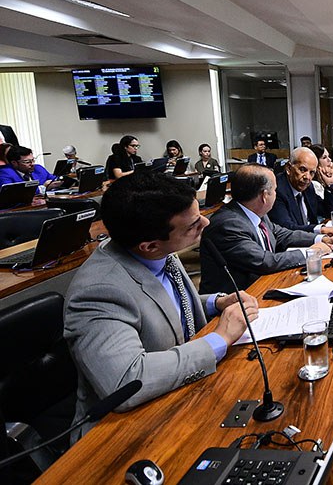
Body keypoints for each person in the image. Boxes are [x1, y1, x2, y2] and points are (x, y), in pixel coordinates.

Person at [63, 171, 259, 441]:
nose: (205, 222)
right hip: (120, 434)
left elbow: (164, 306)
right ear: (150, 246)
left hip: (184, 395)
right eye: (193, 225)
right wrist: (219, 339)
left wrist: (216, 302)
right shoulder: (98, 291)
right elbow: (127, 380)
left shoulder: (157, 251)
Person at [199, 164, 333, 293]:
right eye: (274, 190)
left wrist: (322, 239)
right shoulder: (228, 224)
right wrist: (312, 253)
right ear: (265, 196)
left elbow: (282, 234)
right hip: (237, 299)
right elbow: (264, 262)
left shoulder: (255, 212)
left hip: (262, 285)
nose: (276, 194)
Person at [268, 146, 333, 239]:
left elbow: (327, 212)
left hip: (311, 239)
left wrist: (330, 185)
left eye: (312, 172)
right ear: (288, 168)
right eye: (302, 170)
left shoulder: (308, 187)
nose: (307, 177)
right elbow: (287, 228)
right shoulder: (277, 189)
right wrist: (322, 230)